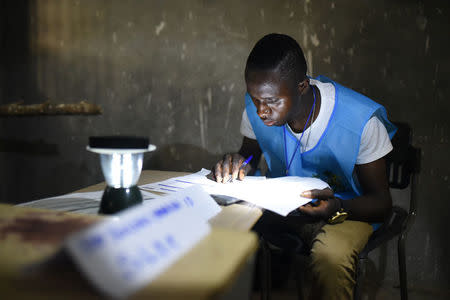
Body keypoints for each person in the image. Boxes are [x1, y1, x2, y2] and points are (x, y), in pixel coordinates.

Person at [210, 33, 397, 300]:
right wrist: (239, 162)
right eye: (255, 99)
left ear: (302, 86)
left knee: (330, 256)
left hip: (345, 212)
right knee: (219, 224)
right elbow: (249, 155)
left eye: (272, 101)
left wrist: (338, 207)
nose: (262, 111)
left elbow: (381, 203)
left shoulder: (359, 122)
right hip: (282, 208)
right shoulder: (259, 106)